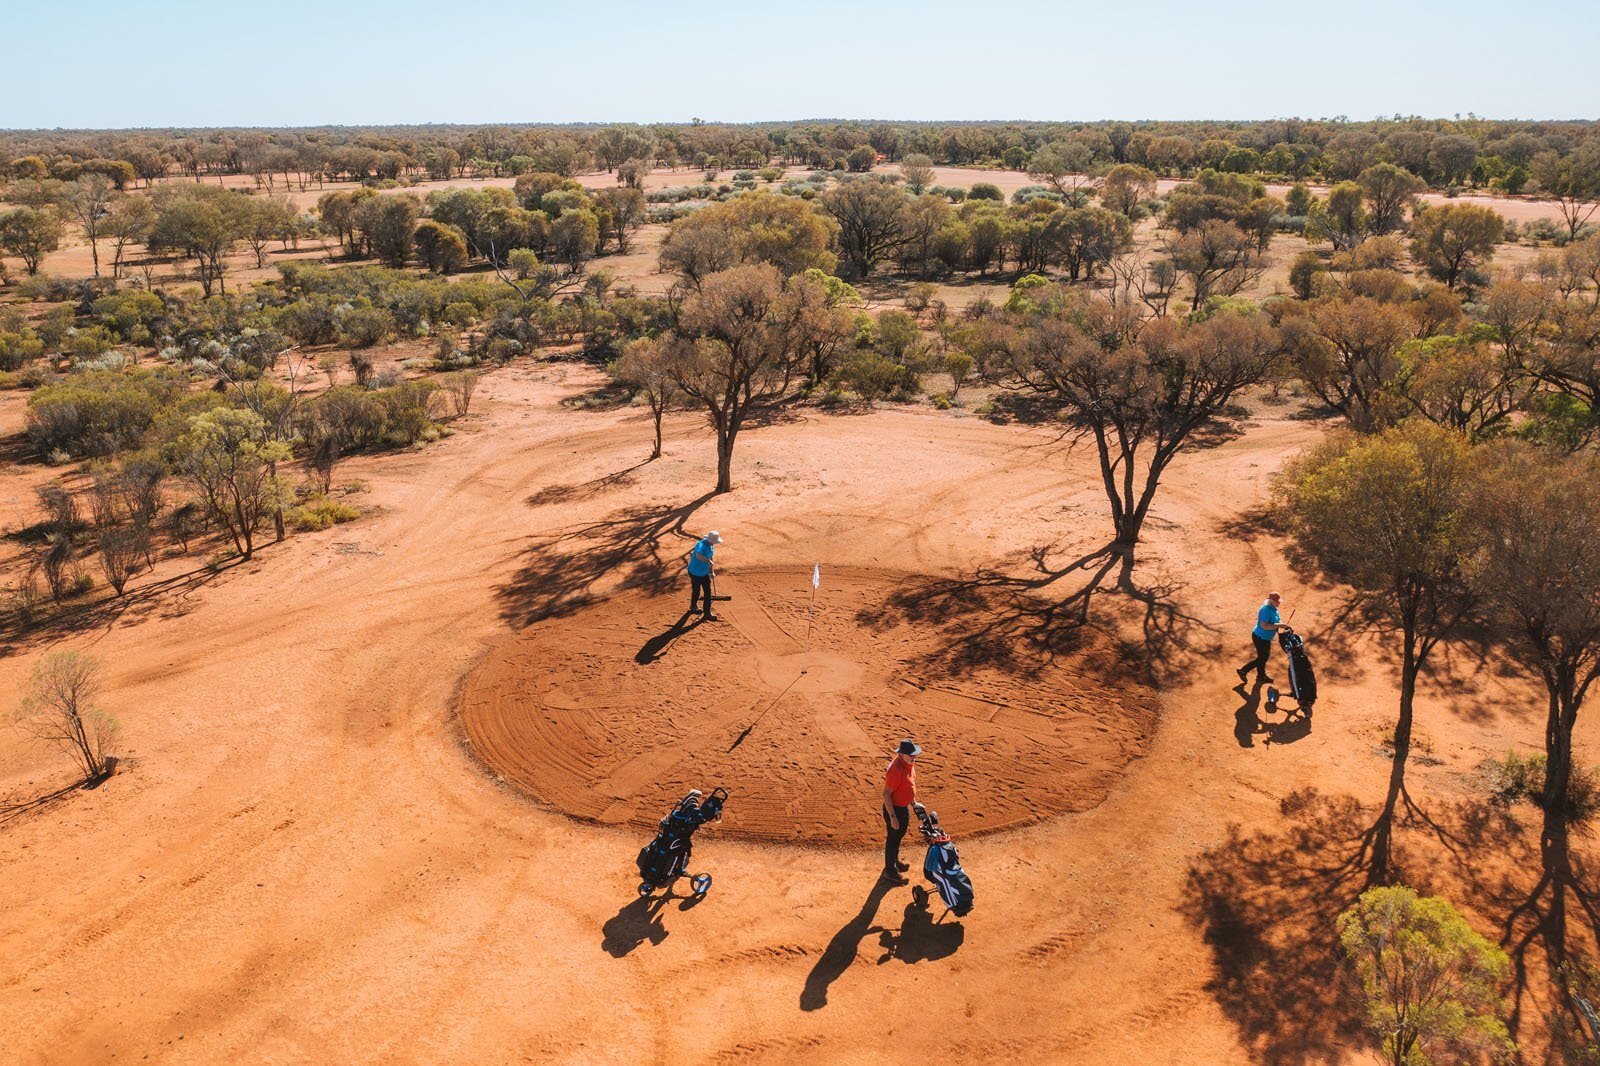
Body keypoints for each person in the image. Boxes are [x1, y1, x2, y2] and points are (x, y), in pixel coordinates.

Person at [881, 739, 920, 885]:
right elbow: (886, 794)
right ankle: (890, 871)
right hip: (895, 809)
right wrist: (893, 817)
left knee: (899, 836)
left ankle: (894, 861)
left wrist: (914, 803)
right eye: (911, 755)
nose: (914, 757)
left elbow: (909, 786)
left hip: (903, 808)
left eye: (914, 754)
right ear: (902, 754)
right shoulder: (896, 770)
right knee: (893, 839)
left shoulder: (908, 764)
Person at [1237, 591, 1290, 685]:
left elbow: (1276, 620)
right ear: (1272, 601)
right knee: (1262, 658)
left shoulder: (1273, 608)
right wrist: (1280, 625)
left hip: (1266, 638)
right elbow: (1264, 626)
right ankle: (1244, 670)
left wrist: (1282, 625)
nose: (1279, 603)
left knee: (1263, 657)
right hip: (1260, 638)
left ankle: (1261, 676)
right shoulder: (1265, 610)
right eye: (1277, 601)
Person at [685, 530, 723, 621]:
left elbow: (710, 556)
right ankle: (706, 613)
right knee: (705, 592)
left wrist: (711, 571)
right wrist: (708, 561)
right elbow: (698, 555)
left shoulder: (710, 545)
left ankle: (693, 606)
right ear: (710, 540)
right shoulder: (701, 545)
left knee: (699, 590)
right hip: (696, 572)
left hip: (702, 572)